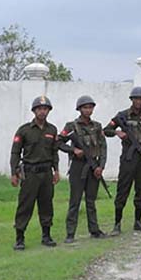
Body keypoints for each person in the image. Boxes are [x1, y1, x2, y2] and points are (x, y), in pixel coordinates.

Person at [103, 86, 141, 235]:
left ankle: (138, 222)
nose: (139, 101)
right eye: (136, 99)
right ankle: (117, 224)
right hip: (128, 157)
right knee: (123, 189)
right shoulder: (123, 115)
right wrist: (117, 132)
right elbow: (106, 130)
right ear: (132, 100)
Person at [10, 96, 60, 250]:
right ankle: (20, 238)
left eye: (45, 109)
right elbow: (15, 152)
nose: (42, 111)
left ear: (48, 111)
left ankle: (46, 235)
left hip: (46, 173)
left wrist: (56, 170)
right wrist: (13, 172)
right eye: (39, 109)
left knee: (46, 205)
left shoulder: (52, 130)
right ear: (34, 111)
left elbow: (54, 152)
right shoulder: (24, 130)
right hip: (30, 174)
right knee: (25, 205)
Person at [57, 95, 109, 243]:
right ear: (79, 109)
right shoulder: (71, 126)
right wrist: (73, 151)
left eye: (90, 107)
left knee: (91, 201)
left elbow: (103, 147)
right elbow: (59, 142)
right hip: (78, 167)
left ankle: (94, 230)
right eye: (85, 107)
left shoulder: (97, 126)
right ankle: (70, 233)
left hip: (94, 166)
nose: (88, 110)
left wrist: (101, 167)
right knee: (75, 200)